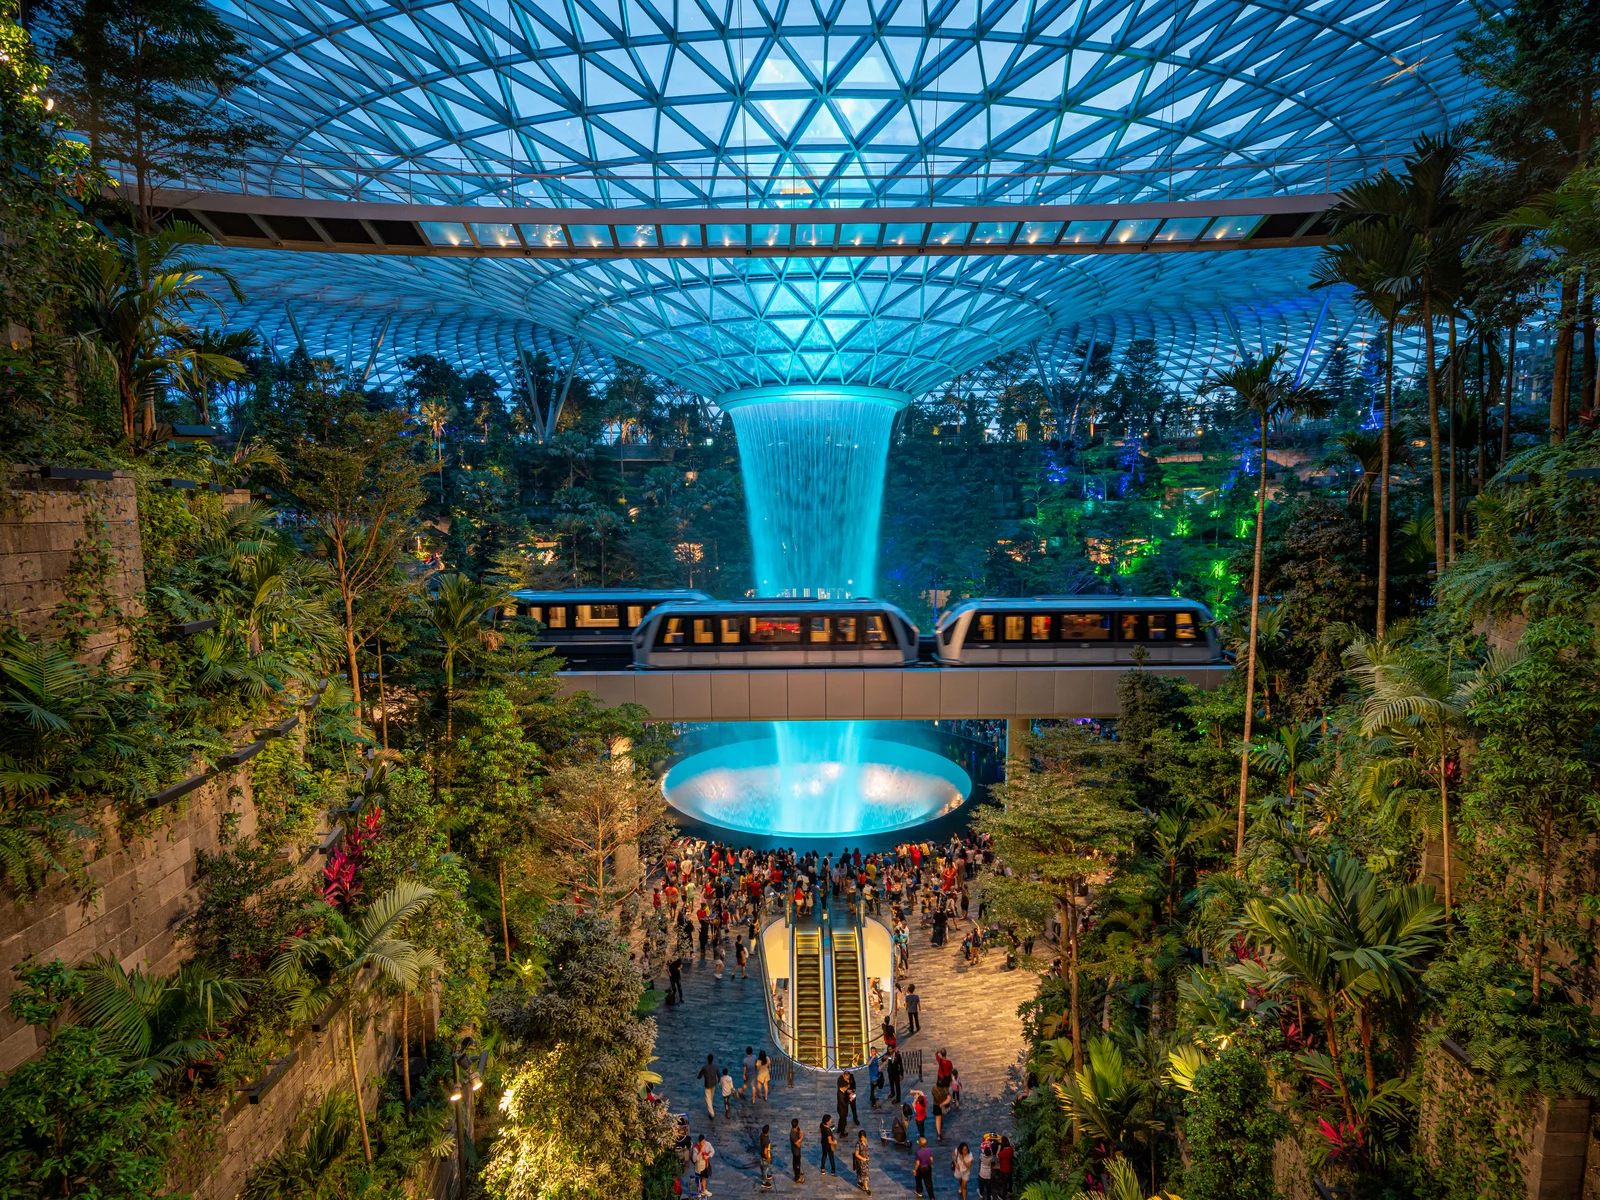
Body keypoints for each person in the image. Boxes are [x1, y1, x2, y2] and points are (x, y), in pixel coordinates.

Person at [696, 1054, 718, 1119]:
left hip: (707, 1085)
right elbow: (719, 1075)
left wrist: (697, 1078)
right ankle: (710, 1110)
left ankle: (712, 1113)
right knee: (711, 1097)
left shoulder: (705, 1067)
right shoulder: (715, 1067)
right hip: (713, 1084)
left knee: (707, 1099)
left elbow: (699, 1076)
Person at [789, 1118, 806, 1182]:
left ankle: (796, 1170)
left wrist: (800, 1137)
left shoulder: (797, 1129)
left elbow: (800, 1132)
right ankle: (797, 1177)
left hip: (797, 1150)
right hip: (796, 1151)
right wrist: (801, 1138)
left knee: (795, 1161)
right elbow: (798, 1144)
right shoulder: (792, 1135)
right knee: (797, 1164)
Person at [758, 1123, 774, 1191]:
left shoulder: (761, 1135)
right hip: (765, 1157)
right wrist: (768, 1158)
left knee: (764, 1168)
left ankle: (766, 1175)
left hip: (761, 1155)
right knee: (765, 1168)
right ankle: (764, 1182)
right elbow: (765, 1151)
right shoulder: (767, 1141)